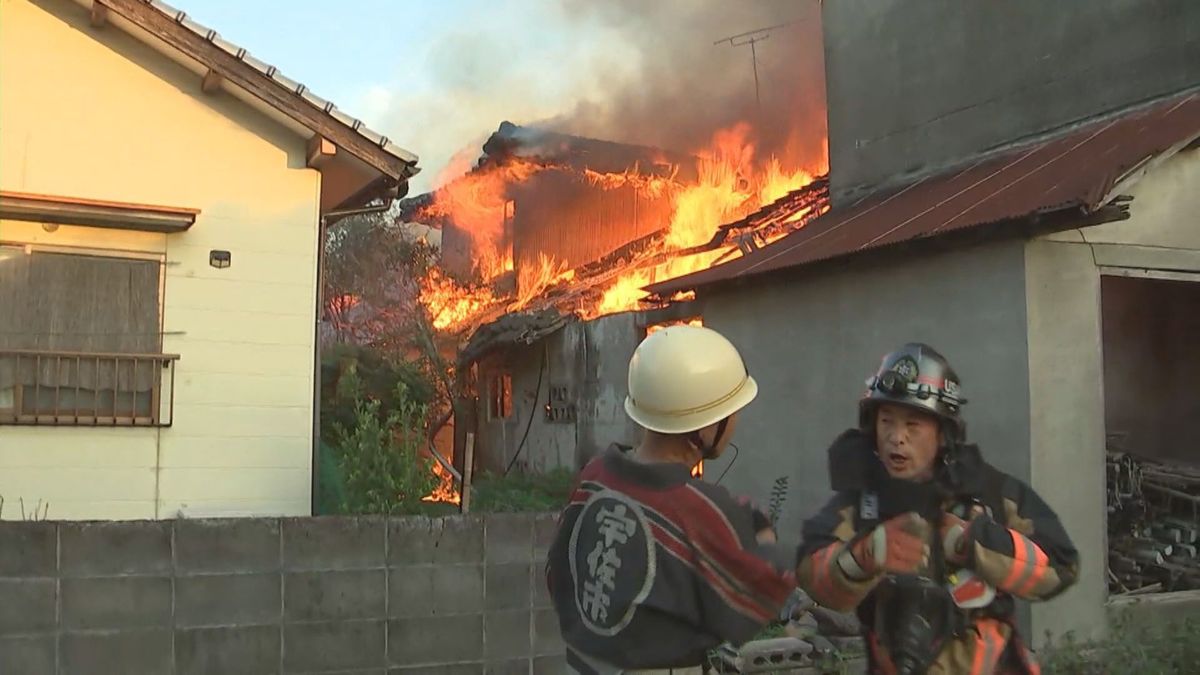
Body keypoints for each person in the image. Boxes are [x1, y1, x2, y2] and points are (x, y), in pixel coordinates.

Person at [796, 343, 1079, 674]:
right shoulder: (861, 505)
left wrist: (977, 542)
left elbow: (1060, 567)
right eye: (886, 421)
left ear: (944, 433)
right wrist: (863, 556)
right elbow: (812, 573)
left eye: (912, 425)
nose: (895, 438)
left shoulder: (990, 493)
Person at [545, 325, 797, 674]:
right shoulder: (700, 508)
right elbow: (766, 585)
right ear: (705, 428)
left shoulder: (595, 475)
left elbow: (556, 570)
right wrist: (766, 540)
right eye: (732, 412)